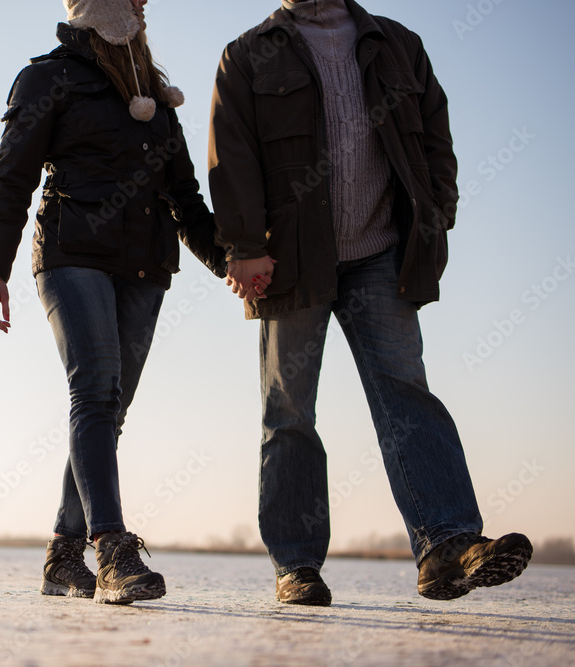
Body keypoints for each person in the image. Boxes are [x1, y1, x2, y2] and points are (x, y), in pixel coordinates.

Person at [207, 0, 532, 606]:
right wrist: (245, 245)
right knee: (289, 414)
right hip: (291, 263)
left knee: (406, 391)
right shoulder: (248, 53)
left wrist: (437, 215)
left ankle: (448, 544)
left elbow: (436, 137)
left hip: (383, 253)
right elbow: (233, 157)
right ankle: (296, 566)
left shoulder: (397, 43)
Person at [0, 0, 224, 605]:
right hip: (71, 254)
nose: (143, 7)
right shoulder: (48, 77)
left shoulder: (157, 100)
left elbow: (185, 197)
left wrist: (232, 266)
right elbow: (12, 176)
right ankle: (111, 548)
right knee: (95, 390)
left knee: (109, 408)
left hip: (144, 265)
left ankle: (64, 553)